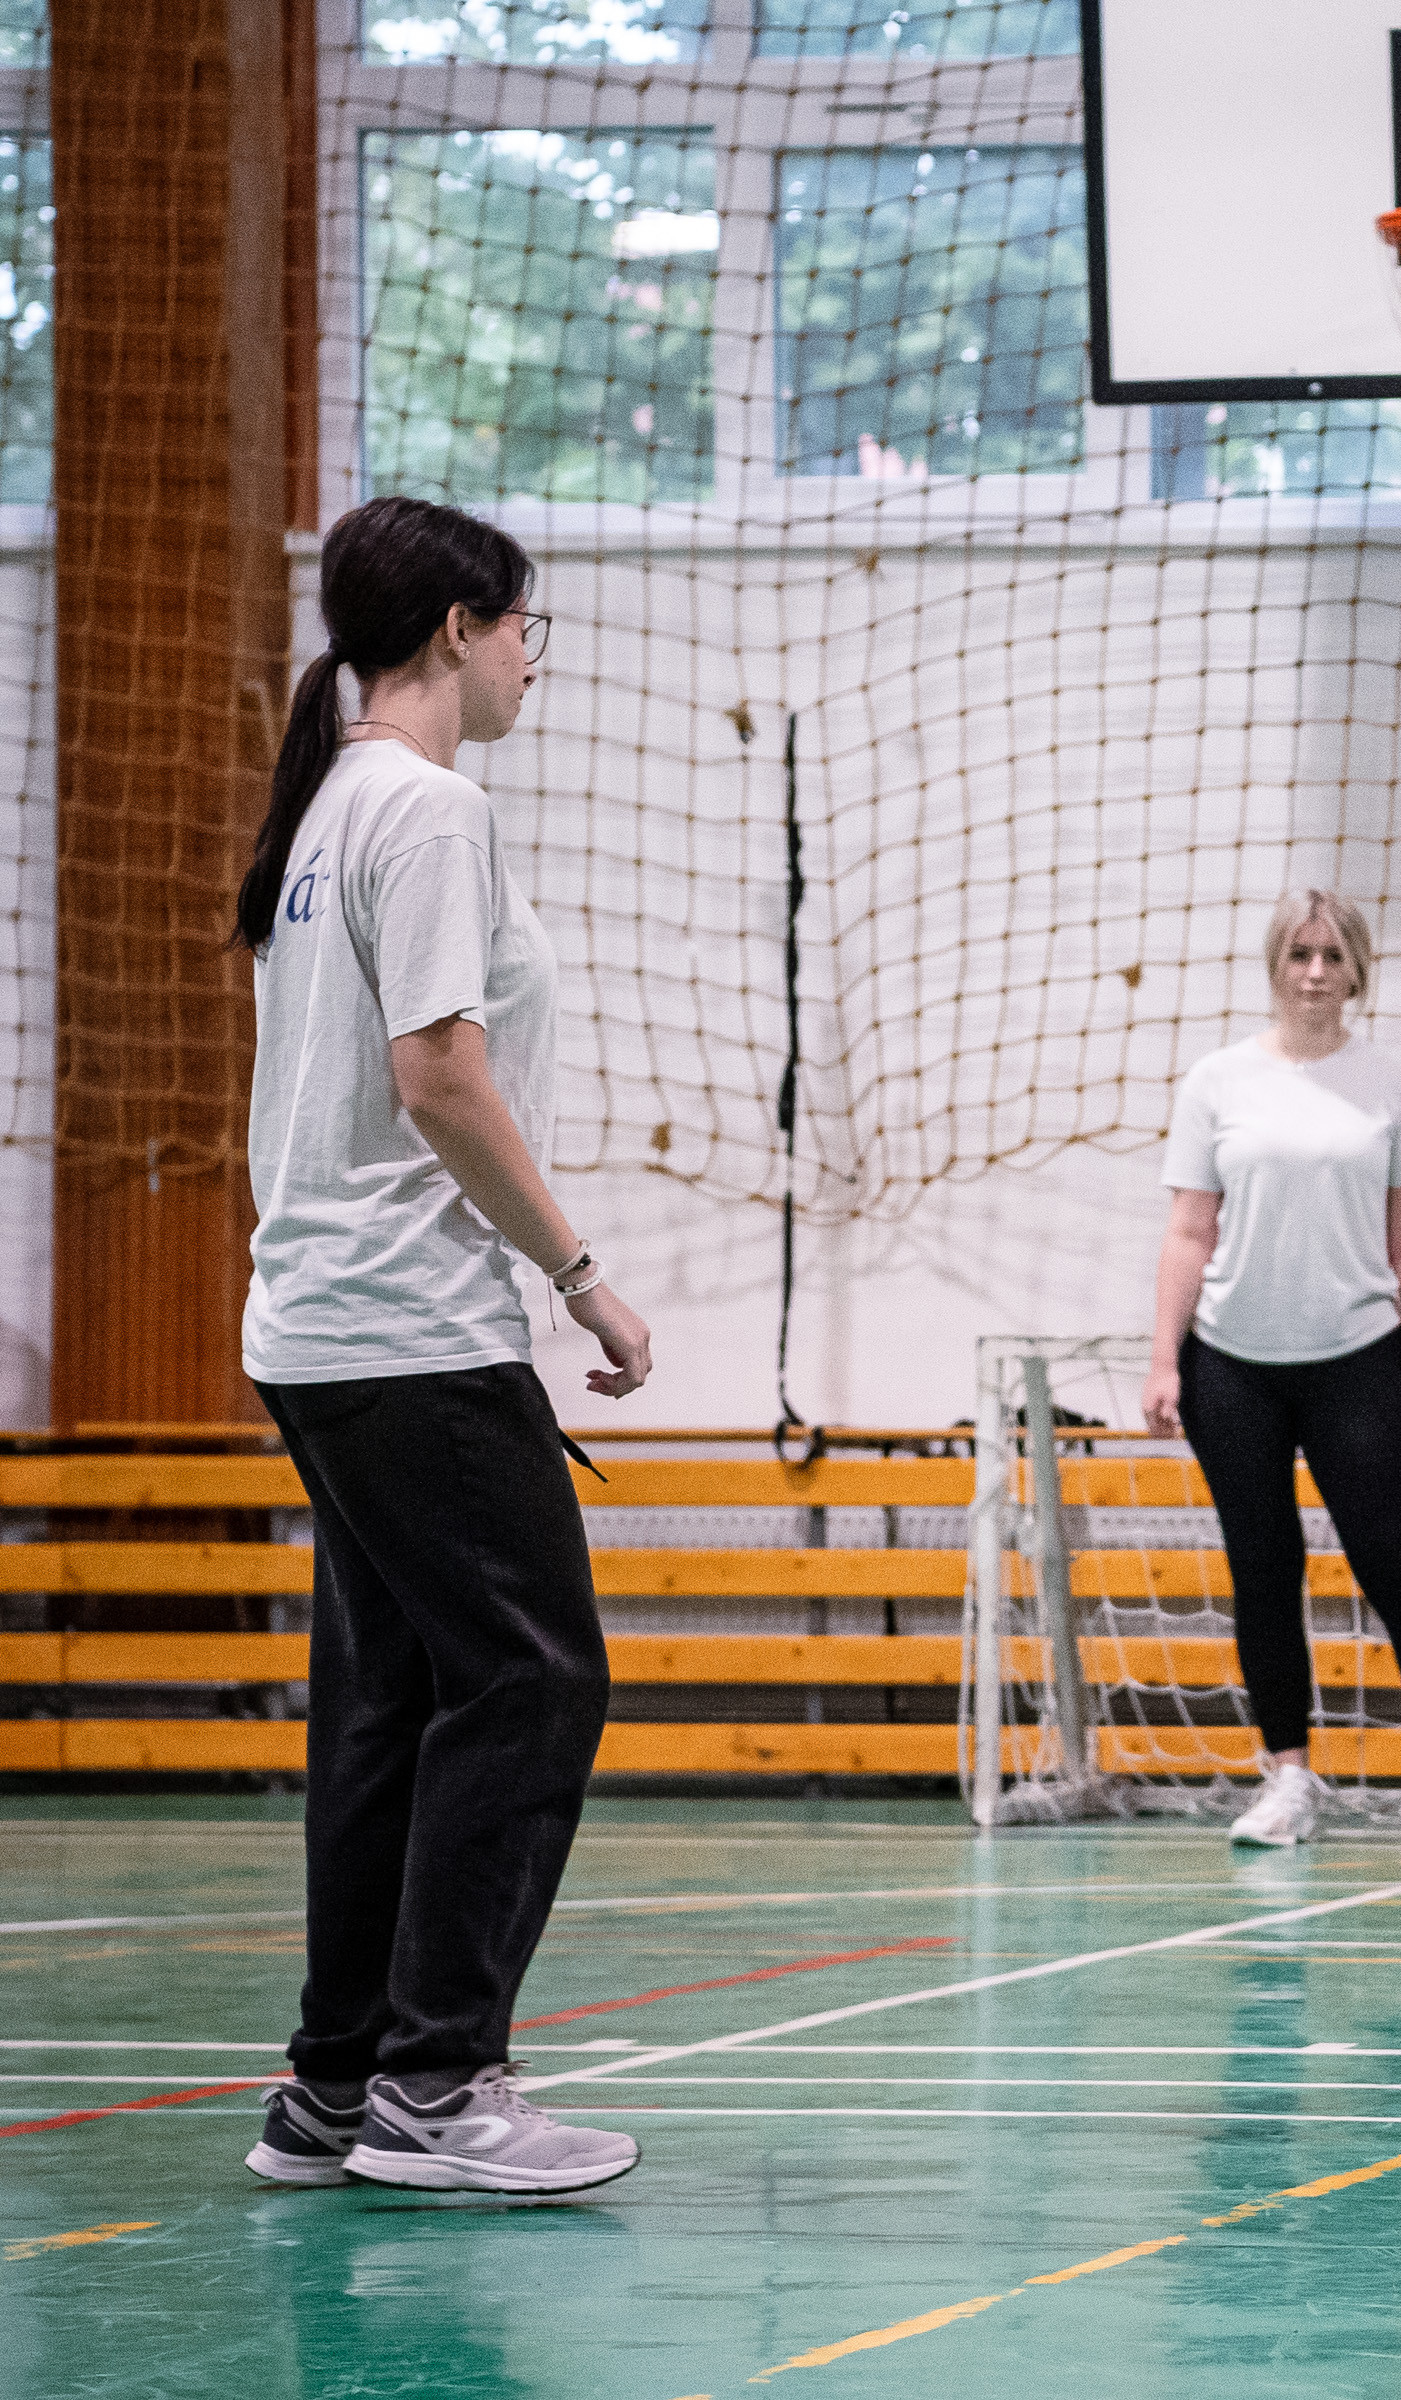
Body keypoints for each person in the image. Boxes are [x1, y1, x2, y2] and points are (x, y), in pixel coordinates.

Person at [233, 495, 655, 2196]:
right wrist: (582, 1274)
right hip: (412, 1331)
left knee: (391, 1702)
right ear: (458, 629)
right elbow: (437, 1076)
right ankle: (438, 2085)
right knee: (535, 1680)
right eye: (522, 625)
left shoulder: (332, 806)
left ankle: (335, 2086)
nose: (534, 658)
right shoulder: (425, 810)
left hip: (323, 1329)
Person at [1141, 891, 1401, 1855]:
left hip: (1357, 1363)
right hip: (1232, 1367)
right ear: (1275, 964)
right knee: (1263, 1569)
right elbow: (1189, 1231)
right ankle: (1287, 1779)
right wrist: (1164, 1360)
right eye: (1299, 954)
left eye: (1333, 956)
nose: (1315, 972)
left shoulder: (1394, 1089)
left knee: (1395, 1564)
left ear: (1357, 972)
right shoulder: (1217, 1082)